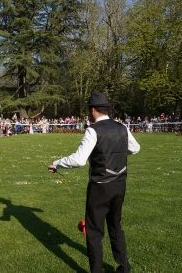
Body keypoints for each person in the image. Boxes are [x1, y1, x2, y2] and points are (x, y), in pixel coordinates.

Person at [48, 92, 140, 273]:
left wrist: (57, 163)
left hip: (100, 187)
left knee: (94, 232)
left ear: (93, 110)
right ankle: (124, 268)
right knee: (116, 227)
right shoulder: (122, 127)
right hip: (120, 185)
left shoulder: (93, 130)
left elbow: (79, 160)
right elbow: (135, 148)